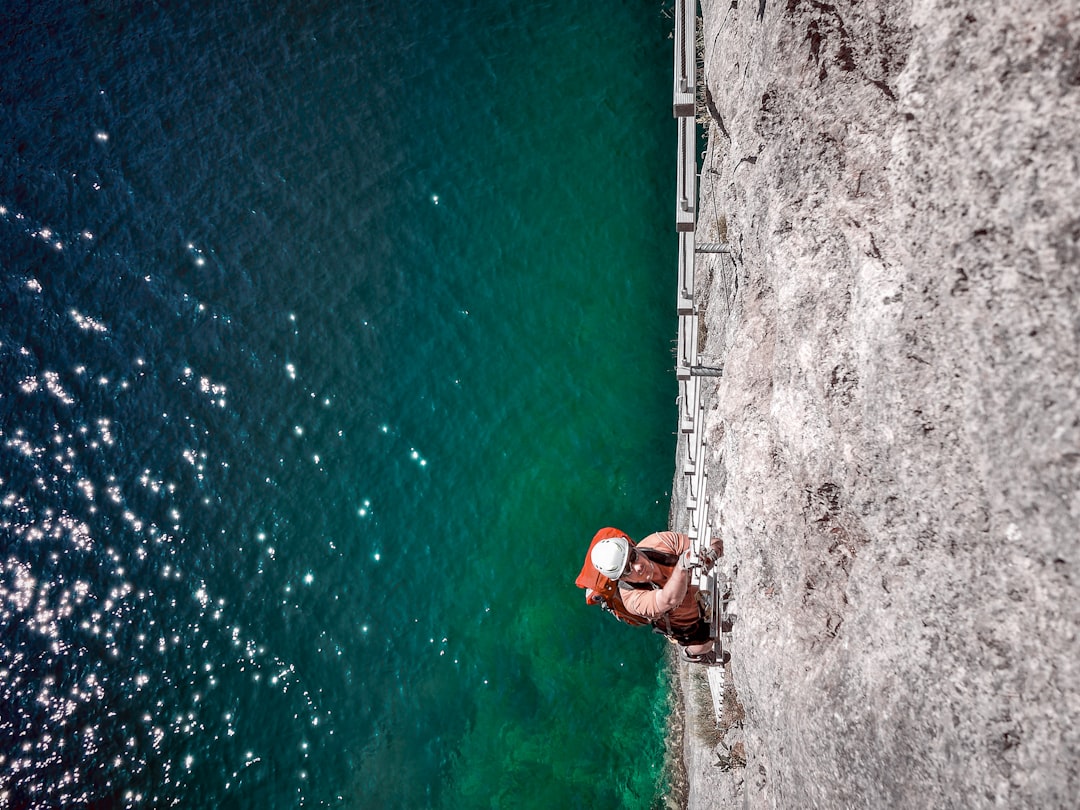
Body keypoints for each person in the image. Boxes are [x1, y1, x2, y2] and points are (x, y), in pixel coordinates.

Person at [589, 530, 723, 664]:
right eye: (627, 570)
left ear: (634, 548)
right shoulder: (633, 600)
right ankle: (690, 653)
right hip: (684, 624)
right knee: (705, 644)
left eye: (633, 556)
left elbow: (716, 543)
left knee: (713, 614)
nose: (638, 567)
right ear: (620, 579)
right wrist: (681, 566)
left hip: (698, 598)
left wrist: (712, 553)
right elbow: (669, 599)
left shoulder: (659, 542)